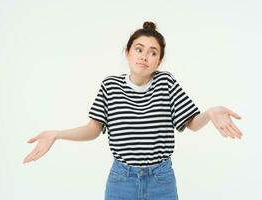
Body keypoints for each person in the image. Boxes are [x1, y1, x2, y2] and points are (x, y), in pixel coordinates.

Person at [23, 21, 243, 200]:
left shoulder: (166, 82)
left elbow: (192, 123)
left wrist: (210, 112)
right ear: (128, 53)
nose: (144, 56)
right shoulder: (109, 86)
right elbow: (93, 129)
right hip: (121, 180)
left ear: (159, 61)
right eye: (139, 49)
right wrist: (57, 134)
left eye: (152, 52)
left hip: (161, 179)